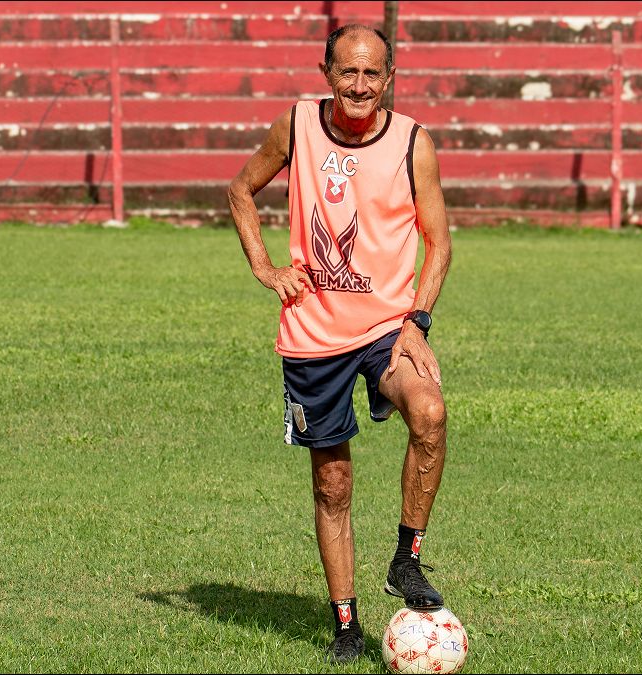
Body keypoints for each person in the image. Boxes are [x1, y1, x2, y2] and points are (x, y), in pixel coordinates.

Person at [227, 24, 453, 664]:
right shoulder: (295, 126)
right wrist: (267, 269)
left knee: (430, 412)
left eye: (372, 74)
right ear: (327, 72)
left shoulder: (413, 142)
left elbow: (439, 243)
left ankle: (406, 560)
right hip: (313, 337)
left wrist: (418, 321)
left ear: (388, 78)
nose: (360, 86)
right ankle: (346, 628)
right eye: (348, 73)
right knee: (333, 485)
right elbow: (241, 190)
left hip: (386, 329)